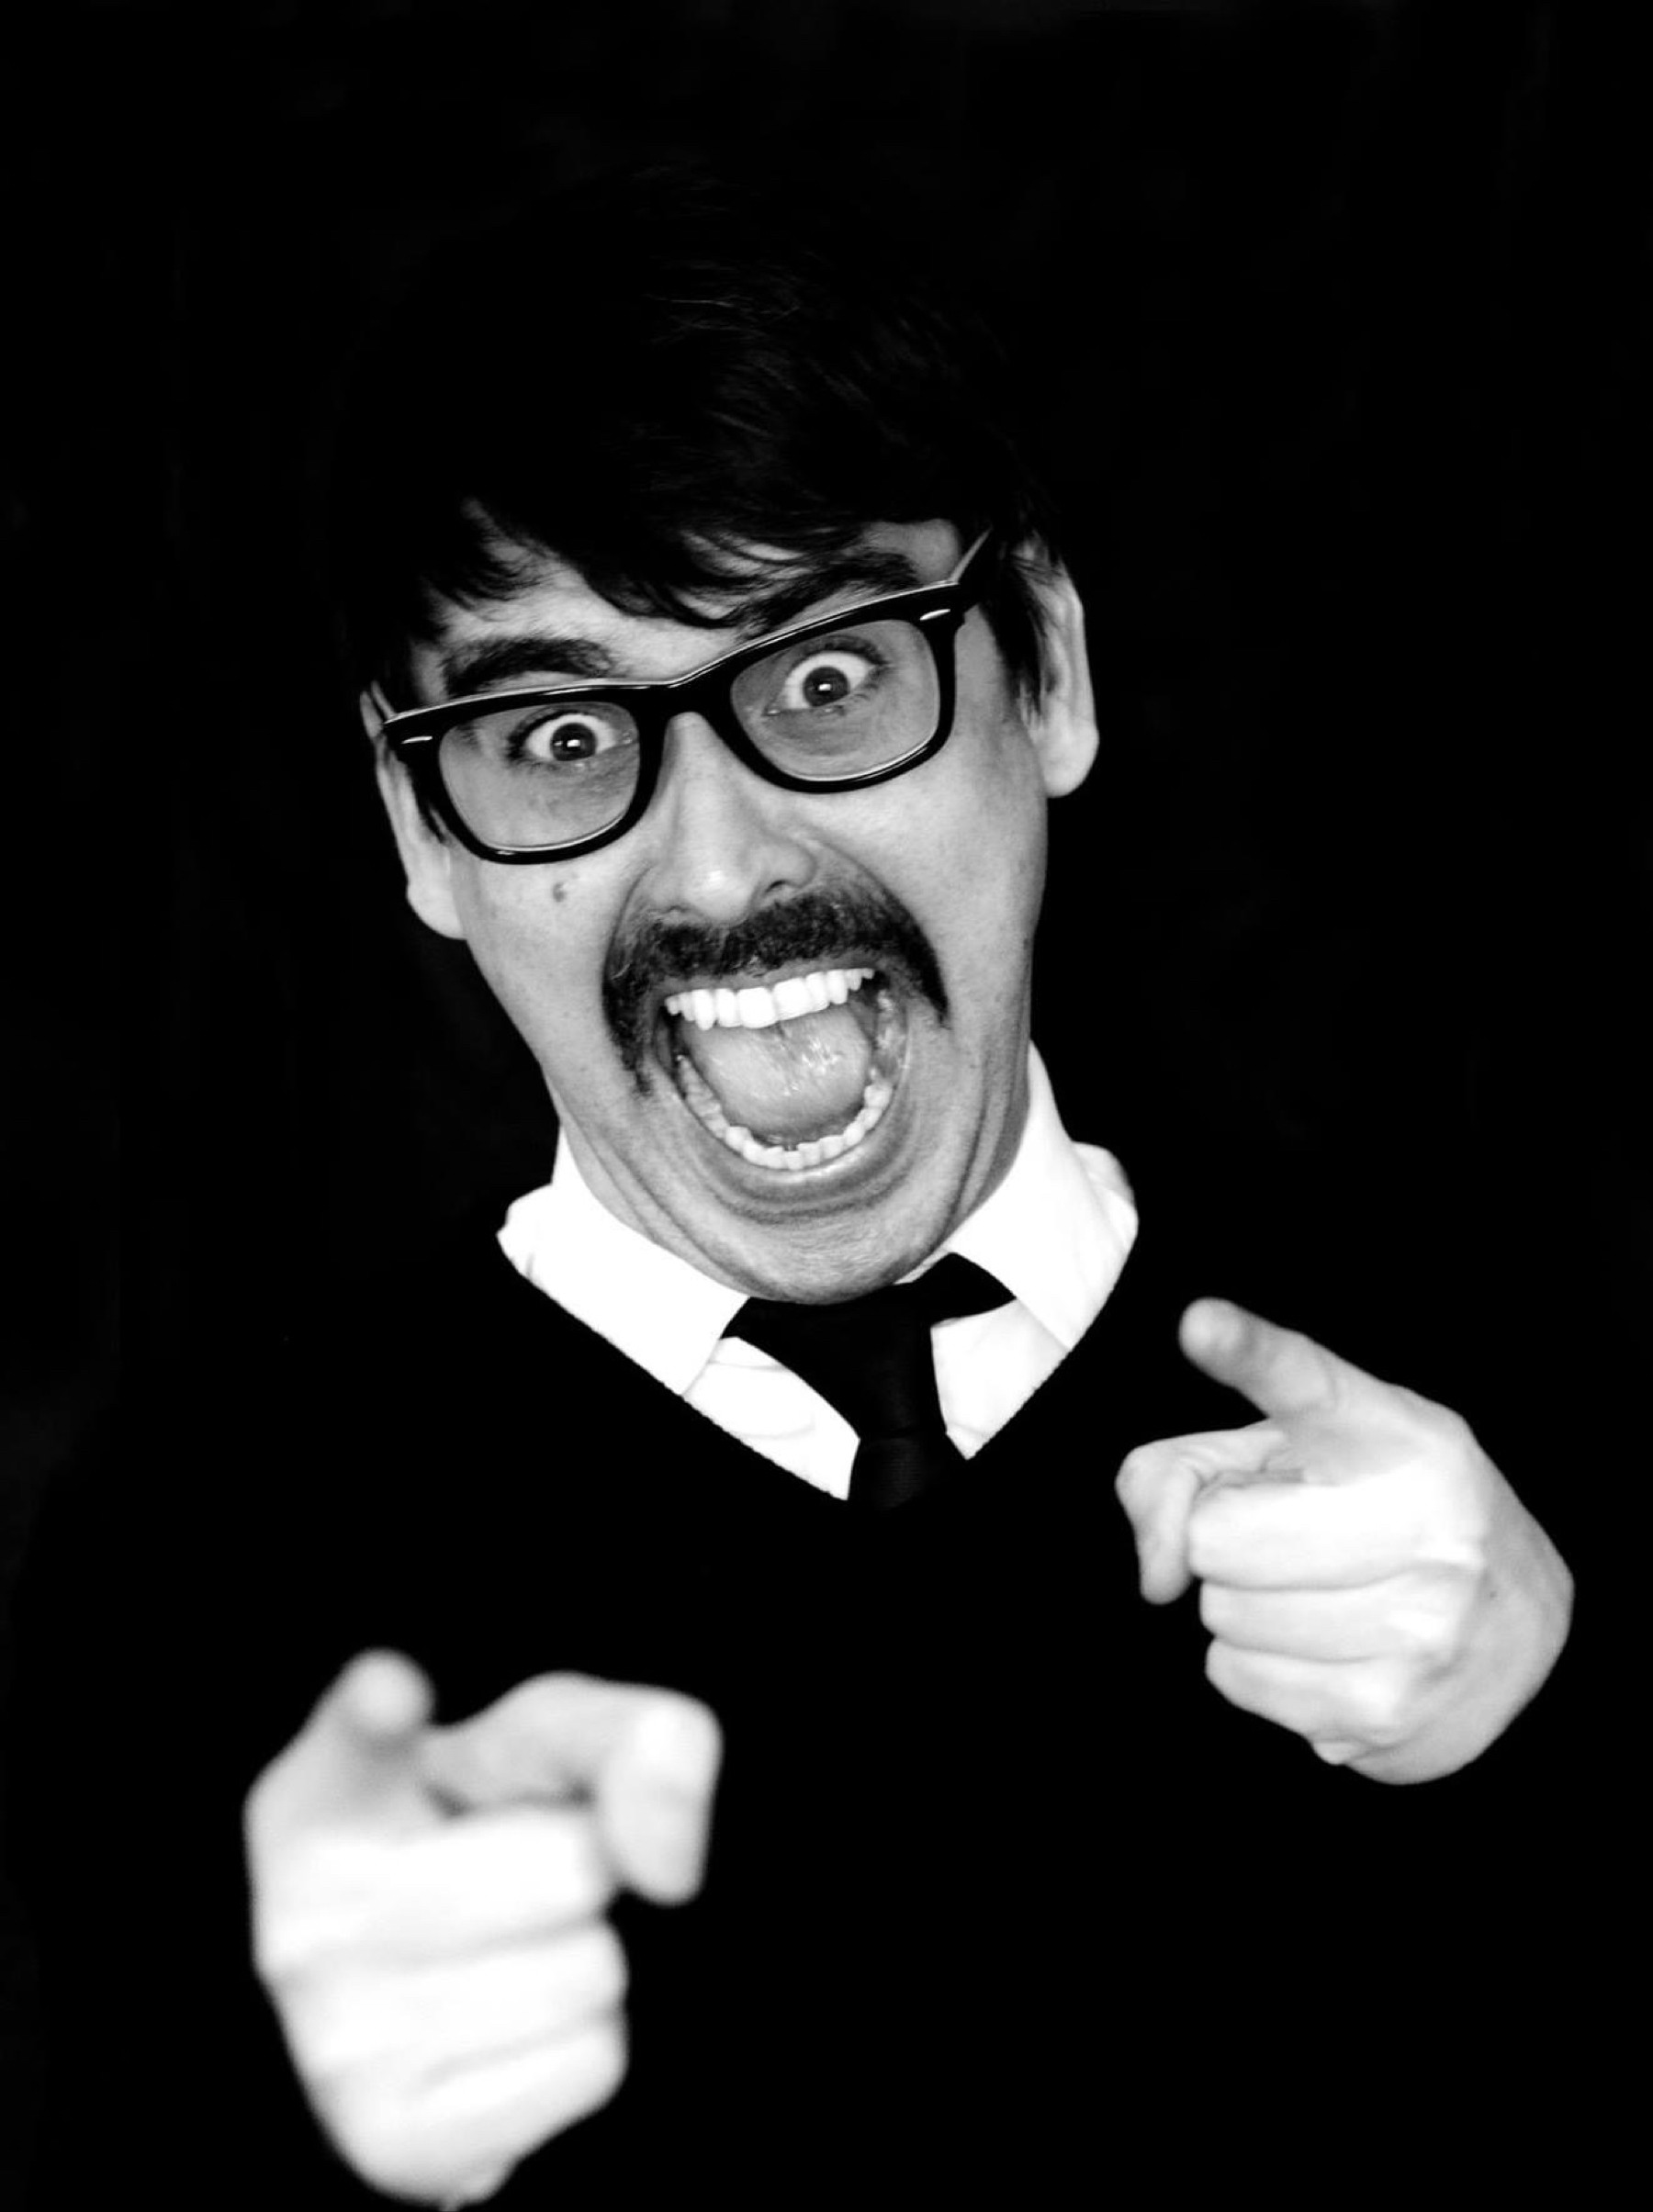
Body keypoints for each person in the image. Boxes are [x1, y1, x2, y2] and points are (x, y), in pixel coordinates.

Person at [4, 163, 1588, 2207]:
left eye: (828, 676)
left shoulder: (1500, 1380)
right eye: (559, 734)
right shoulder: (184, 1563)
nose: (723, 865)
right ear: (418, 828)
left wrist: (1552, 1727)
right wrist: (309, 2147)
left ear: (1046, 671)